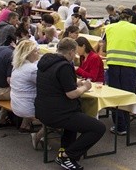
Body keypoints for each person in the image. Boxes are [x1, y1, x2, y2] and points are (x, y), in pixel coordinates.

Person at [35, 38, 105, 170]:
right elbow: (71, 94)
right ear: (72, 51)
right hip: (58, 113)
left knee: (76, 117)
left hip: (42, 109)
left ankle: (64, 151)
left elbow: (57, 83)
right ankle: (67, 156)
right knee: (98, 128)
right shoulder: (64, 66)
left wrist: (77, 83)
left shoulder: (46, 62)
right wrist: (85, 87)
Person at [101, 8, 136, 137]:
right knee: (127, 95)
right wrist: (135, 58)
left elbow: (103, 47)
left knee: (115, 95)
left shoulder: (109, 28)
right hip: (129, 67)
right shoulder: (135, 29)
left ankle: (119, 125)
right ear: (130, 18)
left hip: (113, 65)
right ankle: (125, 124)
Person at [10, 40, 44, 146]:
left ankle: (25, 125)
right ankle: (38, 137)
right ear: (28, 54)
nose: (38, 53)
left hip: (16, 104)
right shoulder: (32, 69)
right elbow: (45, 85)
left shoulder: (17, 65)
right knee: (57, 116)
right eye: (36, 51)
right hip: (27, 107)